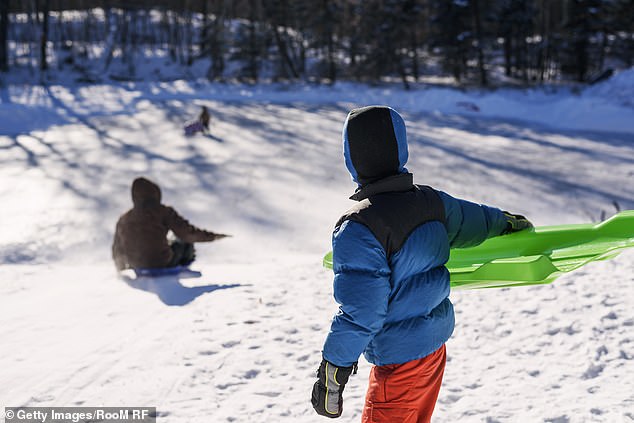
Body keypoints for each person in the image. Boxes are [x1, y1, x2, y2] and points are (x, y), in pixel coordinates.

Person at [310, 106, 532, 422]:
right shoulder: (431, 202)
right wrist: (505, 222)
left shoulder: (359, 228)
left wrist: (333, 369)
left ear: (351, 159)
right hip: (432, 351)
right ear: (401, 149)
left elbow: (362, 311)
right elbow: (475, 220)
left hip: (399, 364)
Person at [112, 177, 229, 271]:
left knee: (170, 240)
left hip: (136, 265)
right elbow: (188, 233)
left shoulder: (124, 218)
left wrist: (120, 268)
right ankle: (183, 269)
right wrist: (213, 237)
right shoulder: (163, 211)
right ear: (155, 193)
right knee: (183, 241)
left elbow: (117, 247)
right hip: (162, 263)